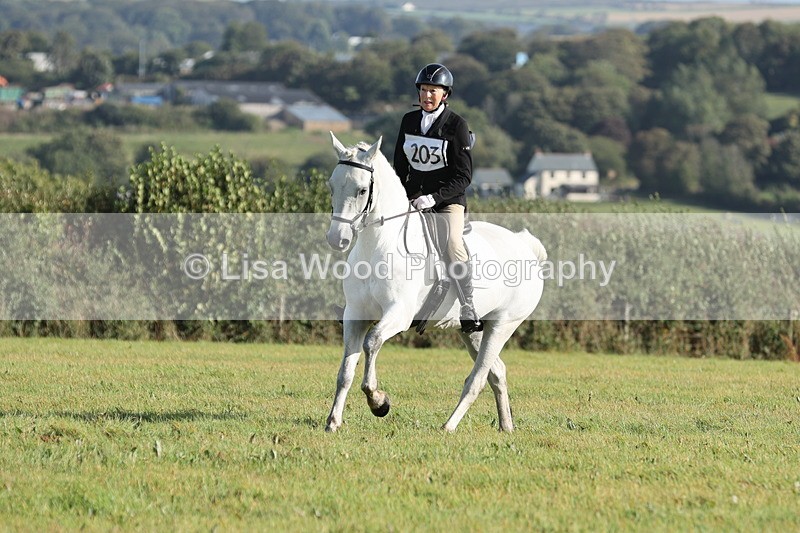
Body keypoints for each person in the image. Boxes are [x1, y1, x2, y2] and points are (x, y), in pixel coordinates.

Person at [393, 63, 483, 333]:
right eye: (423, 90)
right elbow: (400, 165)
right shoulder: (409, 121)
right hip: (413, 197)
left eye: (433, 91)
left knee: (453, 244)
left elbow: (464, 176)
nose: (427, 95)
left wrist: (433, 198)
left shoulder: (457, 125)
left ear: (445, 94)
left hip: (447, 201)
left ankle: (468, 306)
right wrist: (407, 196)